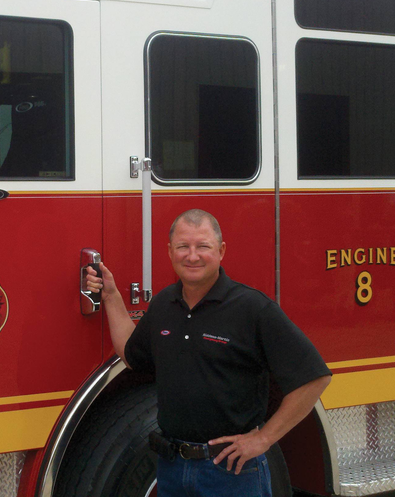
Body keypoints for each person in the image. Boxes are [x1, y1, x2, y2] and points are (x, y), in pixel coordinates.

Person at [85, 209, 331, 497]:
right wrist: (112, 296)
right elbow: (132, 354)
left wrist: (264, 438)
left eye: (203, 246)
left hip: (232, 472)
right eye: (183, 247)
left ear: (221, 250)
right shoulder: (164, 305)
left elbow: (314, 377)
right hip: (171, 469)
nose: (192, 256)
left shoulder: (252, 308)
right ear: (169, 251)